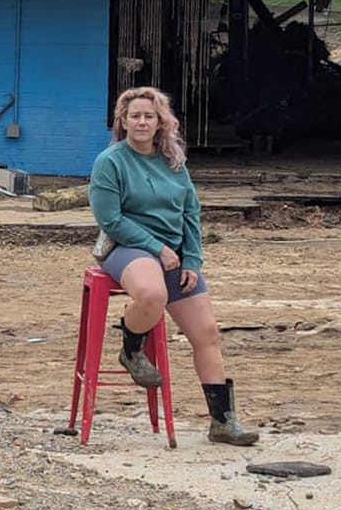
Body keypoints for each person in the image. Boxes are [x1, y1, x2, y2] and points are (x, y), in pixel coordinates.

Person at [88, 86, 259, 447]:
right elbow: (110, 218)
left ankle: (222, 421)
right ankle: (131, 348)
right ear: (122, 121)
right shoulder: (111, 161)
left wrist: (193, 259)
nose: (141, 121)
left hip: (174, 254)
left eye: (149, 116)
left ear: (161, 122)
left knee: (207, 332)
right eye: (134, 115)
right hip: (127, 247)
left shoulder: (173, 163)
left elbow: (191, 214)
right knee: (152, 292)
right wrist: (156, 247)